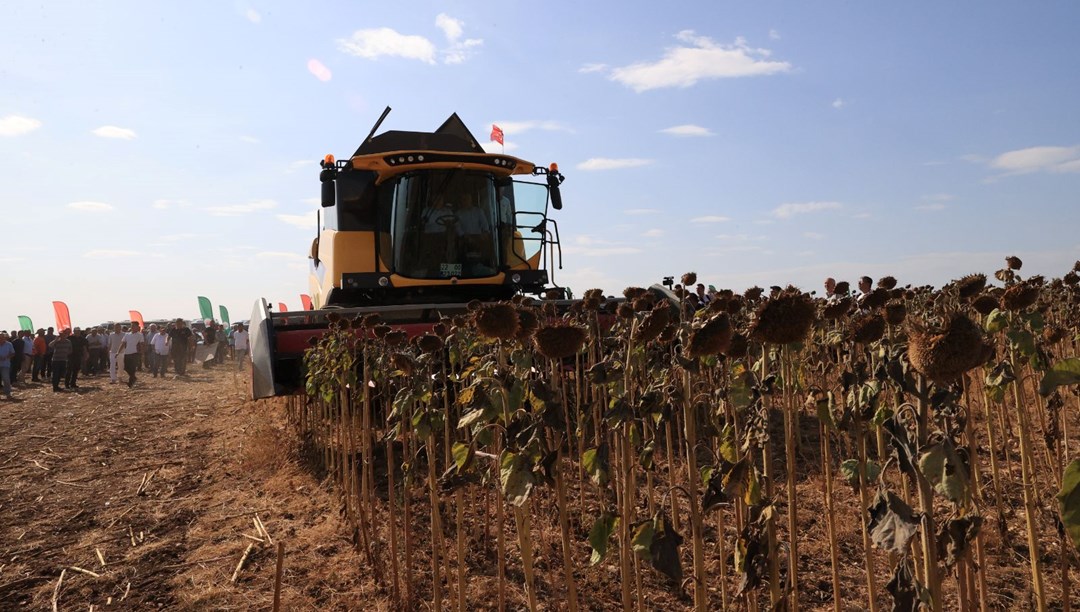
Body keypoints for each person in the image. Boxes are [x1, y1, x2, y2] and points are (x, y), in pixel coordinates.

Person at [115, 321, 144, 388]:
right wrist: (118, 352)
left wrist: (142, 354)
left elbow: (142, 344)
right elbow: (122, 343)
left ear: (137, 327)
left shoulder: (140, 335)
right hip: (127, 353)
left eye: (133, 325)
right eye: (131, 325)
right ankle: (133, 378)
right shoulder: (127, 334)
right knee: (126, 367)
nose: (132, 327)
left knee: (133, 368)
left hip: (135, 354)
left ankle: (130, 383)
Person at [0, 332, 14, 400]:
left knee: (6, 379)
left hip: (5, 364)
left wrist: (6, 357)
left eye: (2, 337)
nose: (1, 338)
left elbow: (13, 353)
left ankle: (8, 393)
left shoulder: (9, 344)